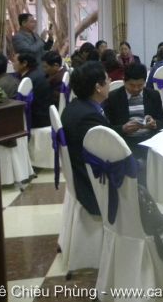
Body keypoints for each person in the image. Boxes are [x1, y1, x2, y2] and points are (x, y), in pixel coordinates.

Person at [61, 61, 111, 216]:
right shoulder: (88, 118)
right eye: (107, 79)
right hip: (92, 185)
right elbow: (107, 155)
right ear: (98, 87)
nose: (110, 82)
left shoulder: (74, 107)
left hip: (80, 174)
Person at [104, 62, 163, 157]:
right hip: (125, 143)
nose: (136, 89)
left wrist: (154, 124)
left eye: (140, 85)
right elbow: (107, 128)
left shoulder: (153, 95)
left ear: (145, 82)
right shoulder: (113, 97)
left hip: (149, 141)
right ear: (124, 81)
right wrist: (123, 129)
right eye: (132, 85)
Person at [13, 51, 53, 127]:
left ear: (24, 63)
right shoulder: (36, 73)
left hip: (37, 120)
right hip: (43, 115)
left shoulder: (29, 80)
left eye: (15, 61)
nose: (13, 64)